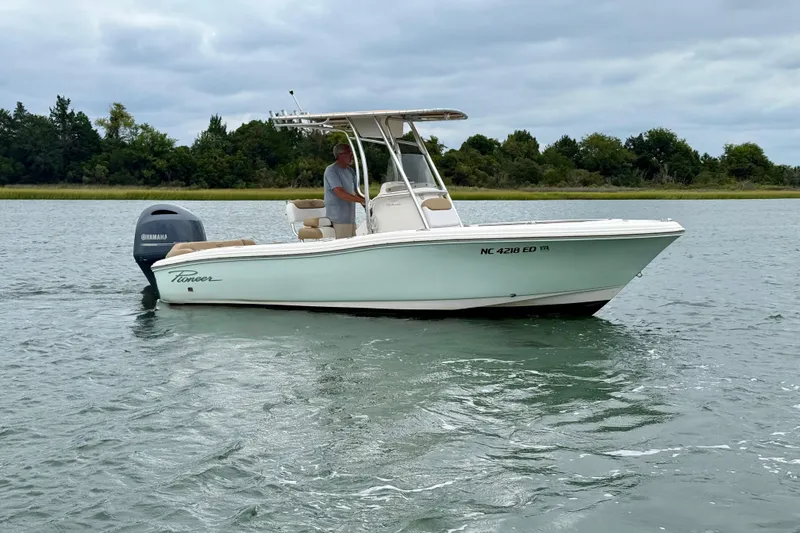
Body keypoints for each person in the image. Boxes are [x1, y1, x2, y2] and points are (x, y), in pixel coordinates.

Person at [323, 143, 365, 238]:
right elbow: (340, 193)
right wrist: (362, 200)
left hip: (350, 219)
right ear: (340, 155)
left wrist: (368, 205)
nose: (352, 156)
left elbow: (358, 192)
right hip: (338, 220)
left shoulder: (350, 171)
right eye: (349, 153)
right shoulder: (331, 170)